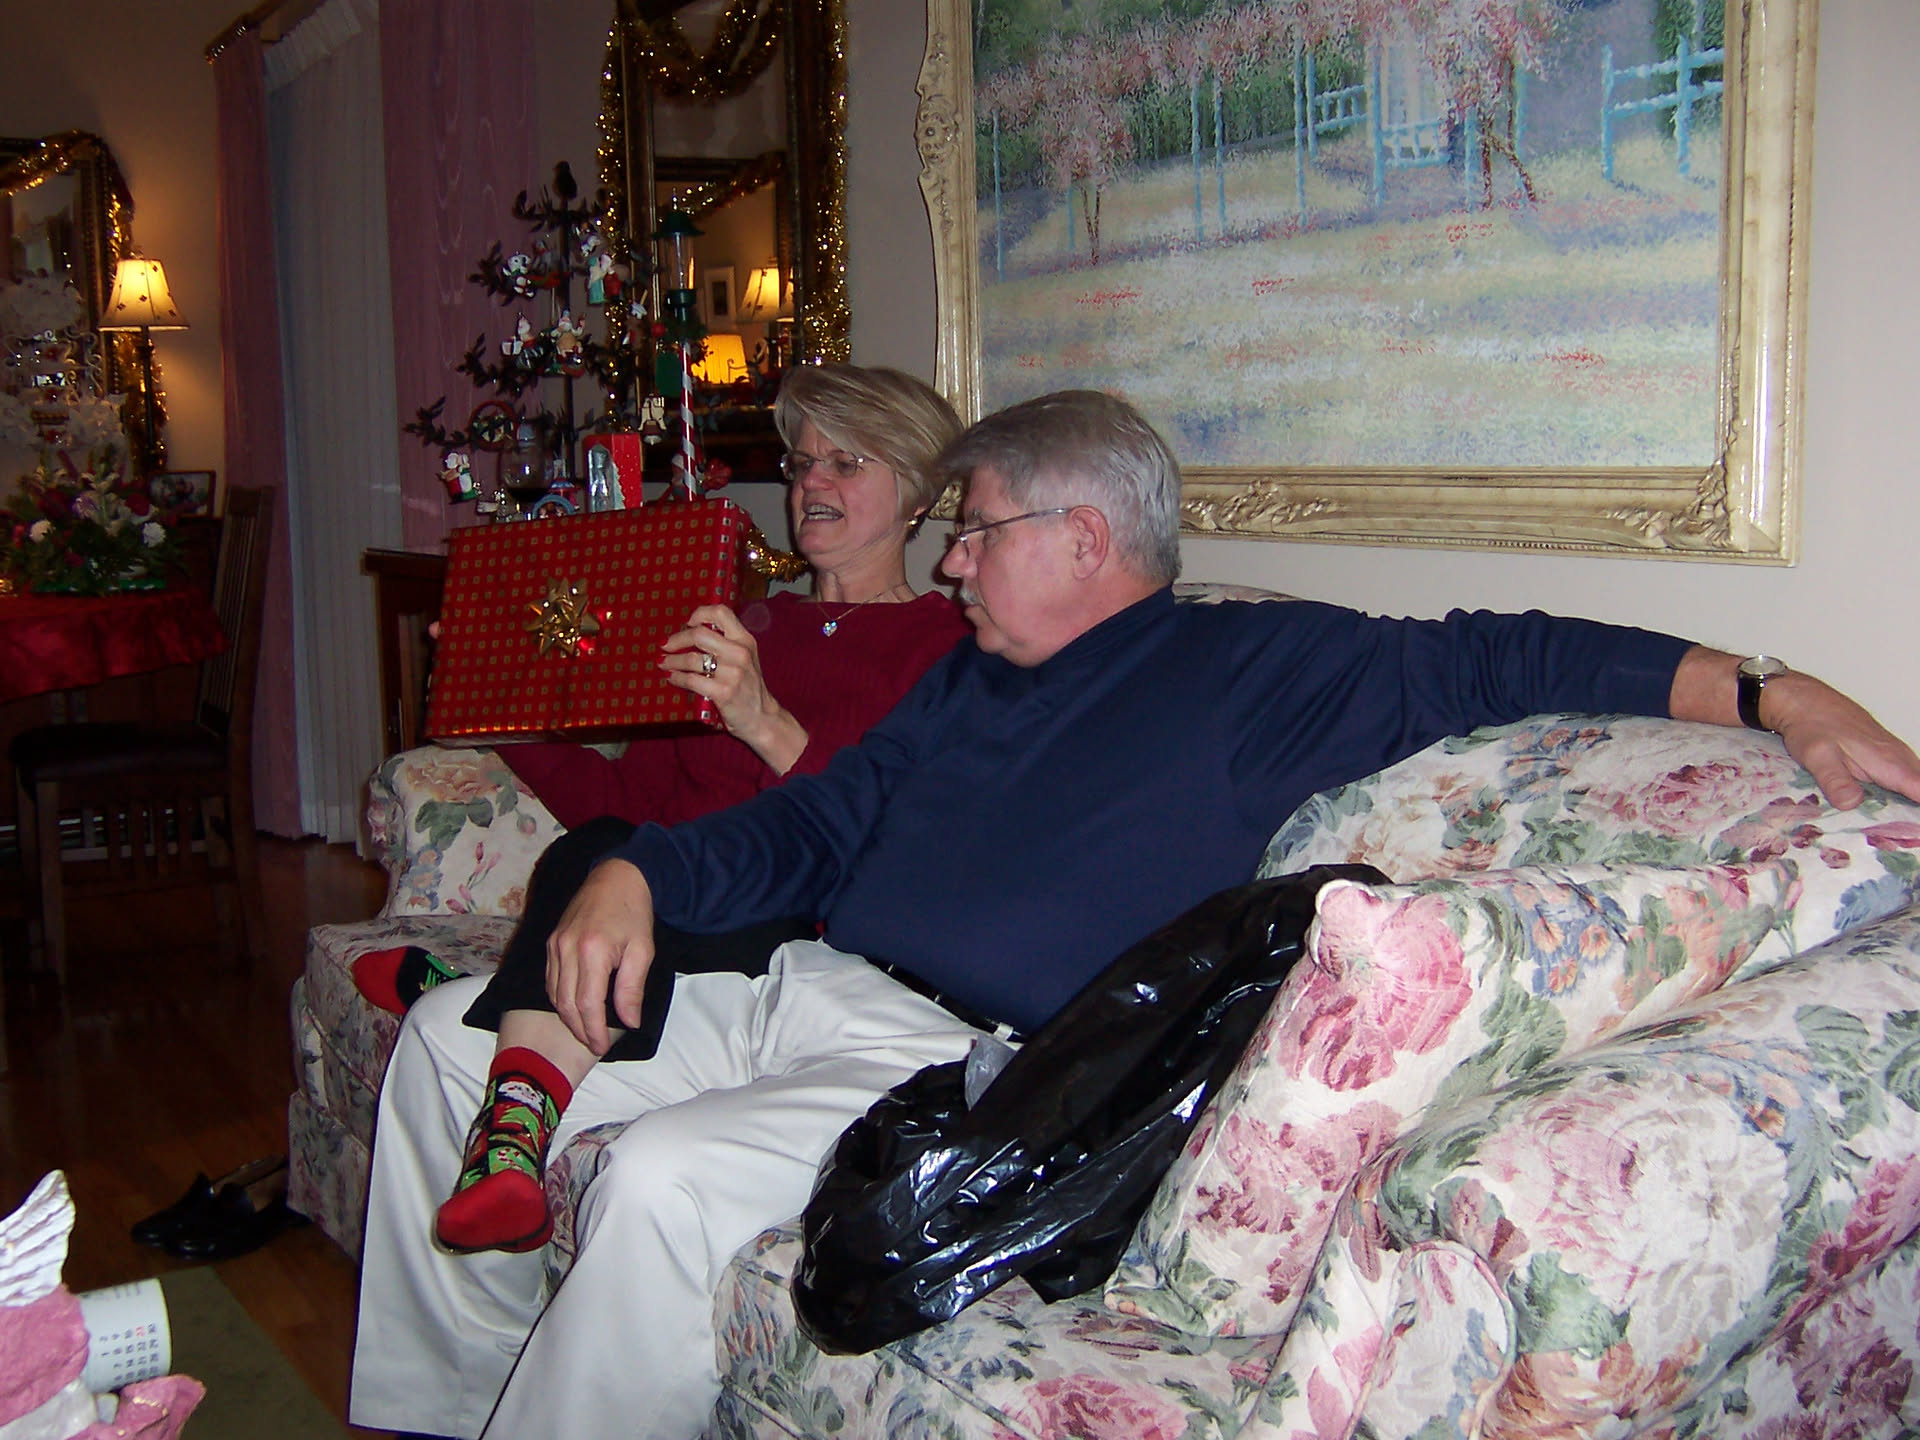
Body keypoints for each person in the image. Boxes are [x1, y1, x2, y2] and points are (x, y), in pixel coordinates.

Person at [350, 390, 1920, 1440]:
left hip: (958, 1065)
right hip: (799, 987)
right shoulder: (964, 678)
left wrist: (1778, 690)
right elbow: (814, 825)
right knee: (446, 1045)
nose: (950, 564)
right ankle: (447, 1405)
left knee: (663, 1181)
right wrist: (639, 872)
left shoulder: (1254, 671)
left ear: (1082, 539)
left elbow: (1503, 654)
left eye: (975, 531)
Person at [352, 363, 970, 1256]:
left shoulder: (946, 652)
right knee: (615, 845)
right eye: (802, 463)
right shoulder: (736, 623)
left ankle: (495, 1037)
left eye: (847, 463)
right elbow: (627, 803)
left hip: (794, 930)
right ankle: (511, 1130)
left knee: (631, 869)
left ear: (916, 493)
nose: (813, 484)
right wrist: (495, 716)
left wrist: (762, 718)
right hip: (657, 900)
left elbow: (894, 845)